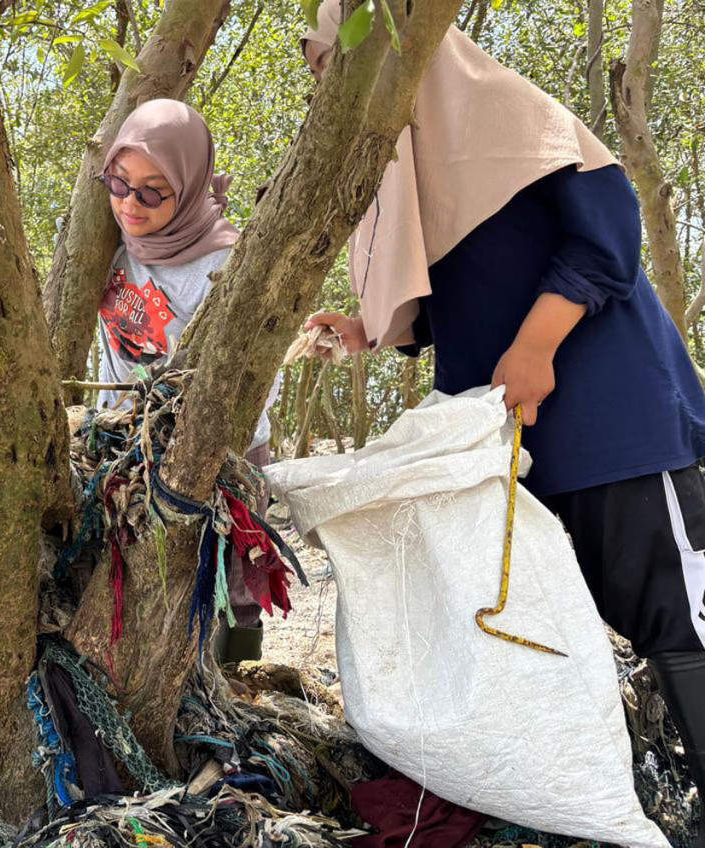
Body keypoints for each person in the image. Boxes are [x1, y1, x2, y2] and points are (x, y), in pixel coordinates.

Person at [301, 5, 705, 840]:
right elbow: (461, 287)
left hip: (612, 427)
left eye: (343, 58)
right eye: (317, 65)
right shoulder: (419, 164)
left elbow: (610, 233)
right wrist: (374, 331)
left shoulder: (509, 117)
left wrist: (535, 342)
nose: (329, 80)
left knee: (674, 615)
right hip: (522, 447)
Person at [96, 99, 281, 662]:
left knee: (229, 585)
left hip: (220, 450)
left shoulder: (222, 264)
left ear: (191, 183)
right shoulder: (106, 246)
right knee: (145, 587)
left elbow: (259, 381)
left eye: (154, 191)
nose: (131, 203)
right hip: (126, 446)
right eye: (119, 182)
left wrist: (188, 432)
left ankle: (236, 685)